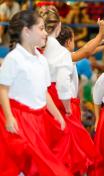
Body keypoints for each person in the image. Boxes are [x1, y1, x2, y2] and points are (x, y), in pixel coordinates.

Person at [0, 10, 72, 176]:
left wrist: (57, 115)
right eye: (41, 28)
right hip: (21, 119)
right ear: (27, 31)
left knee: (35, 166)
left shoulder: (41, 60)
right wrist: (9, 116)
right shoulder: (14, 58)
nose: (45, 33)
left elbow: (45, 92)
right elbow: (3, 89)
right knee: (34, 165)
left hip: (39, 120)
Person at [40, 7, 104, 175]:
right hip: (60, 100)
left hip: (43, 98)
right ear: (59, 26)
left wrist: (102, 40)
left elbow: (83, 53)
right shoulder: (61, 53)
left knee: (48, 143)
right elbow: (62, 83)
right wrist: (68, 107)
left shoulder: (39, 49)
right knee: (66, 146)